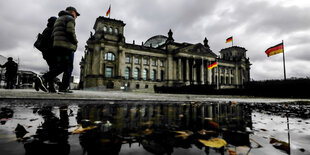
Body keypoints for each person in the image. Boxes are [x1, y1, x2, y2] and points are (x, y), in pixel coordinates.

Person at [37, 6, 79, 93]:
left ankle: (45, 80)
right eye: (76, 14)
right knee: (66, 67)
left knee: (62, 67)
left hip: (57, 46)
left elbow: (53, 34)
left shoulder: (59, 19)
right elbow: (70, 32)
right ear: (72, 12)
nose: (76, 16)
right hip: (66, 46)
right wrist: (75, 41)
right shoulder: (70, 18)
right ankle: (43, 79)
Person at [34, 16, 57, 93]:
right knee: (53, 70)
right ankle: (41, 81)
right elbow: (50, 43)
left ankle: (51, 87)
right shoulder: (51, 30)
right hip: (51, 53)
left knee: (52, 69)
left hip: (47, 53)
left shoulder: (46, 29)